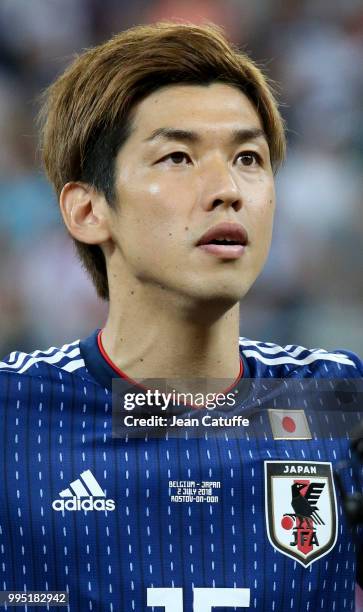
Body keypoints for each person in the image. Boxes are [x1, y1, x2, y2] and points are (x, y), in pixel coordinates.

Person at [0, 22, 362, 612]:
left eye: (249, 157)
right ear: (88, 209)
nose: (227, 189)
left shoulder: (340, 401)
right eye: (177, 157)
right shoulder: (12, 415)